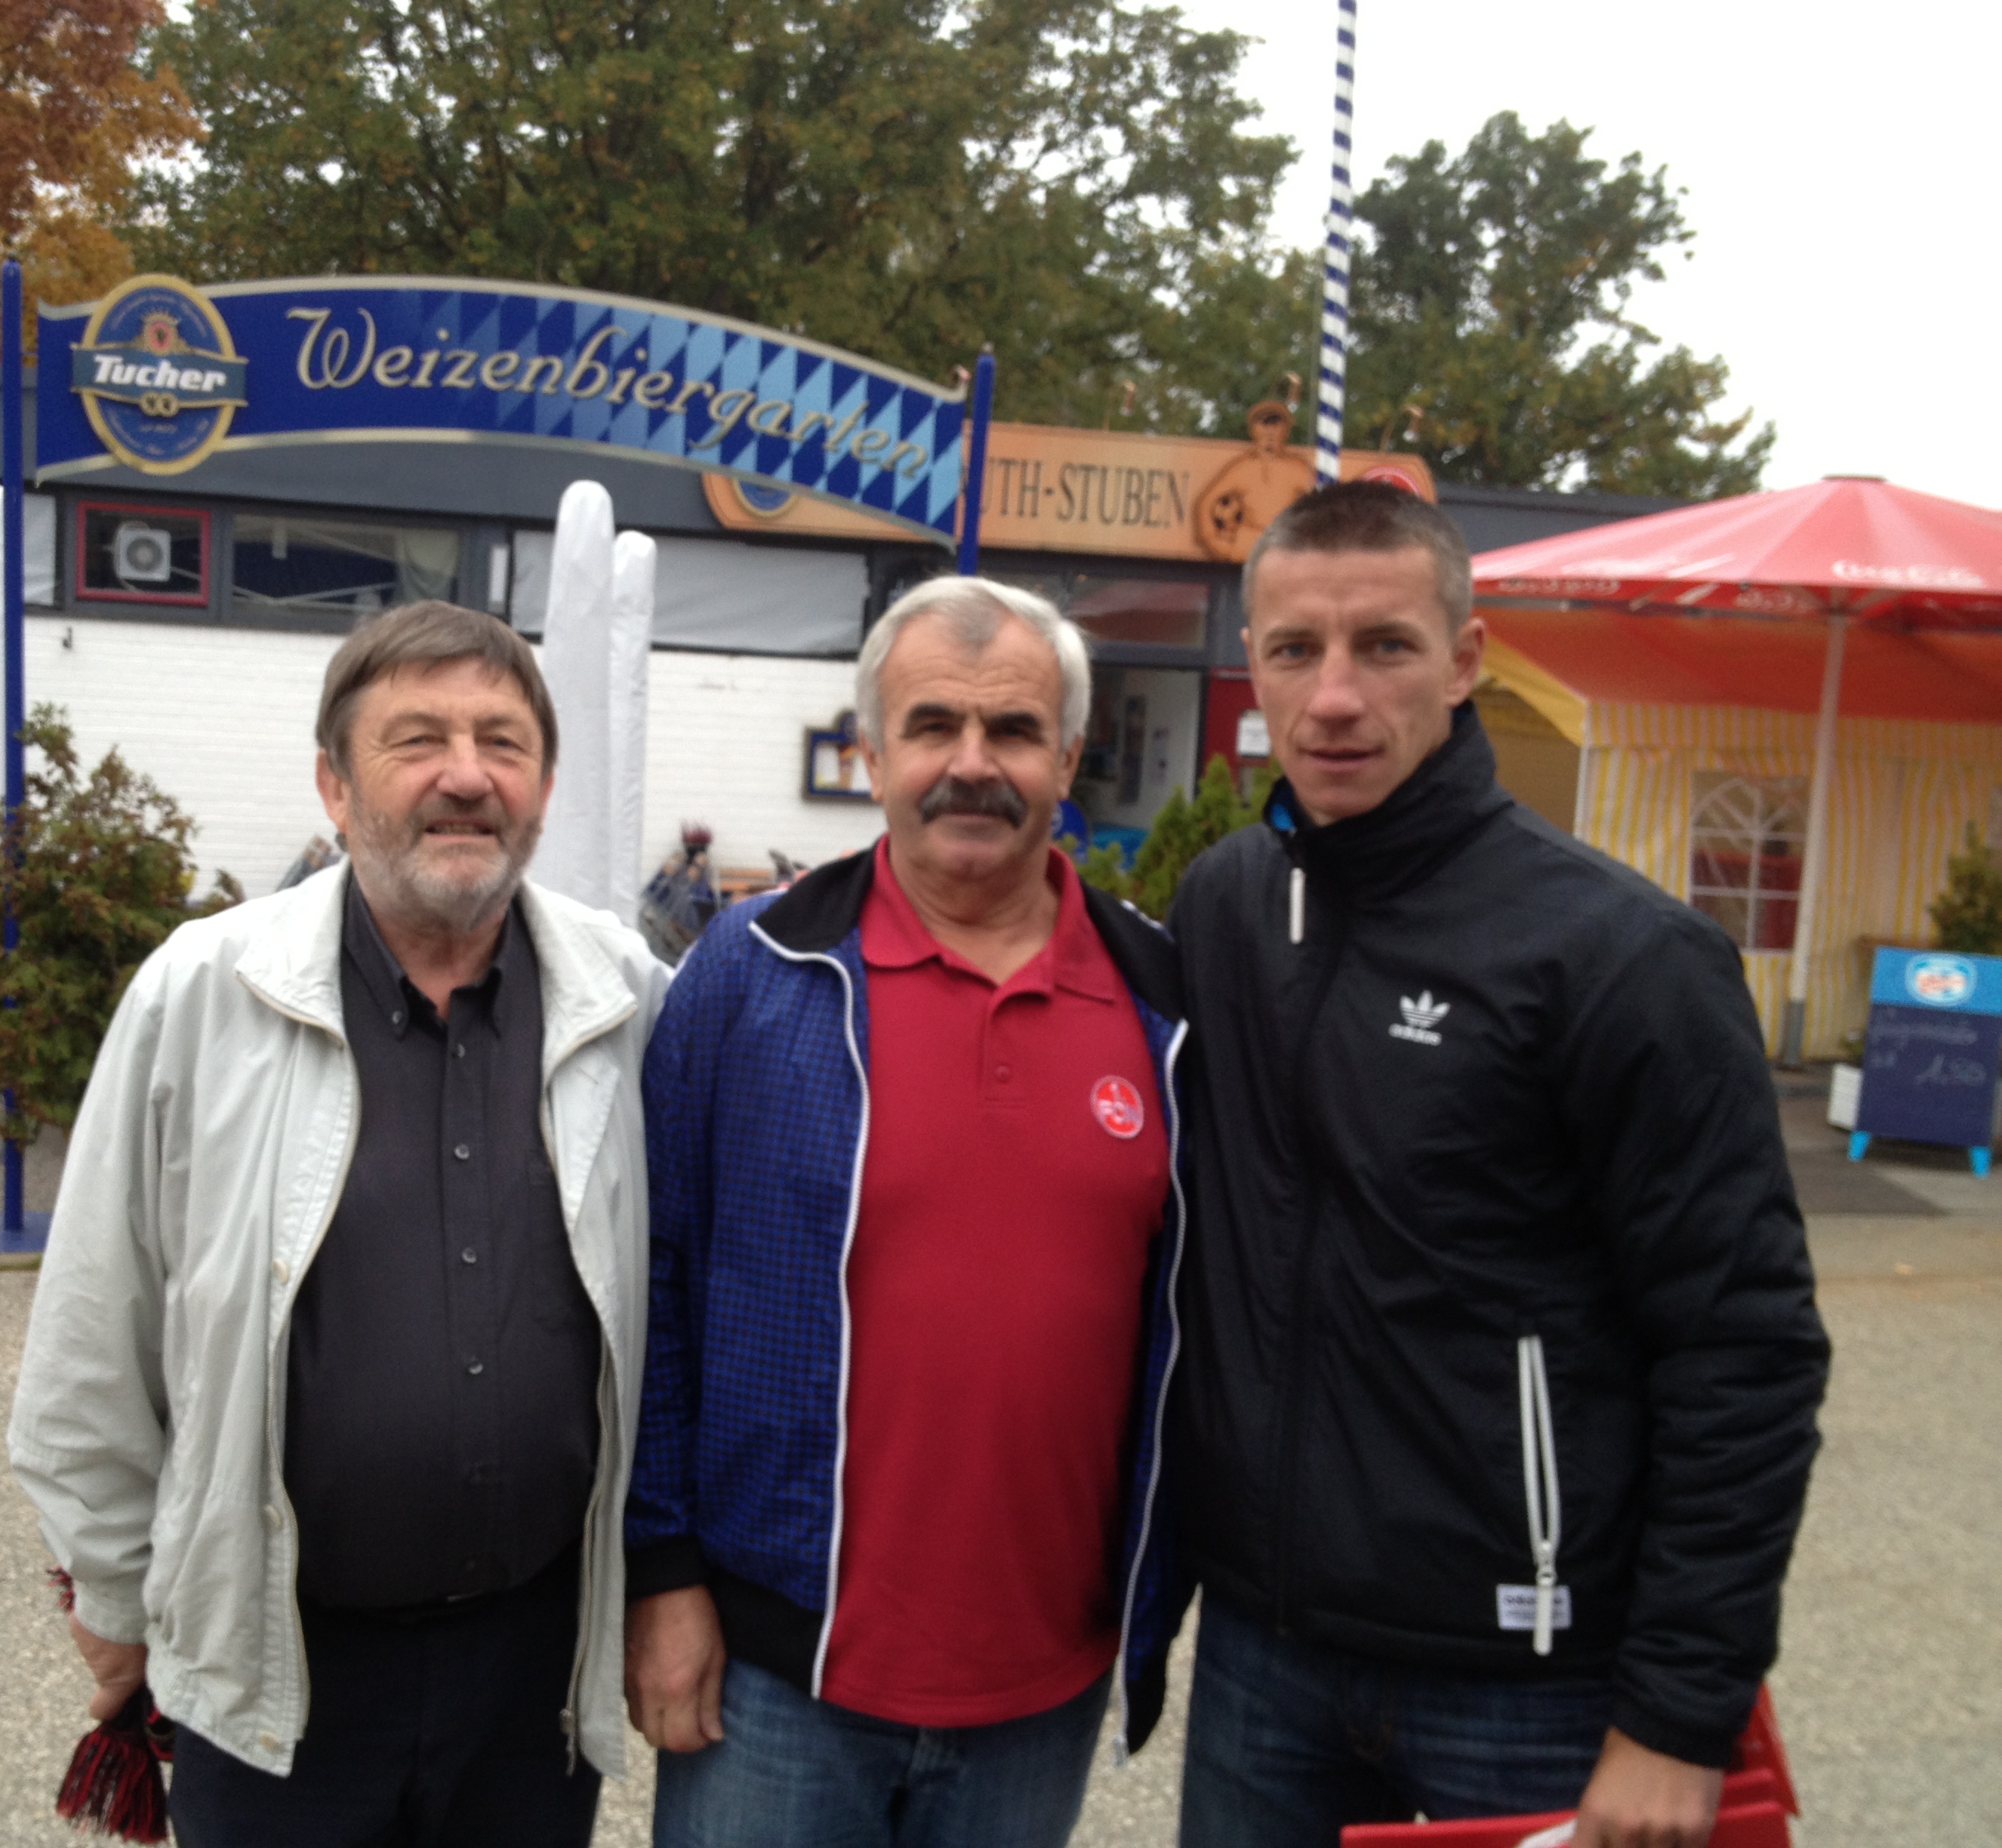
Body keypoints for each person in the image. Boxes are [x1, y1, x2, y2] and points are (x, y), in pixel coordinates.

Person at [1165, 482, 1831, 1848]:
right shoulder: (1226, 906)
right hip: (1266, 1653)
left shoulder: (1621, 956)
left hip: (1533, 1678)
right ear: (1255, 667)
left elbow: (1744, 1350)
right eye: (1295, 650)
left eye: (1386, 647)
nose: (1335, 698)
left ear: (1466, 661)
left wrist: (1678, 1716)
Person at [7, 601, 670, 1848]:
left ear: (542, 786)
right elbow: (95, 1320)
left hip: (530, 1678)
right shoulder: (204, 995)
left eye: (503, 742)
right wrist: (114, 1593)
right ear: (334, 783)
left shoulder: (626, 999)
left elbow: (680, 1304)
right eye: (417, 740)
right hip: (282, 1676)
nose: (466, 776)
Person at [624, 575, 1191, 1848]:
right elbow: (650, 1281)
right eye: (934, 726)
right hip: (777, 1674)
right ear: (873, 754)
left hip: (1042, 1686)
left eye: (1015, 731)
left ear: (1070, 759)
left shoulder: (1165, 1003)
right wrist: (659, 1575)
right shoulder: (752, 974)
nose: (972, 765)